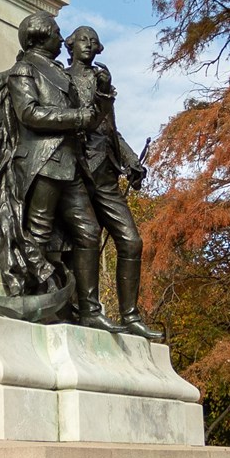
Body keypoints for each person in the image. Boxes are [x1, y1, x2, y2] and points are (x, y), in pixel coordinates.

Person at [0, 12, 122, 331]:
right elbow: (30, 114)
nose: (60, 38)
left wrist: (103, 95)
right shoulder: (24, 70)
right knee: (38, 231)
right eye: (56, 33)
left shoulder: (60, 72)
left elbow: (92, 115)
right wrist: (77, 118)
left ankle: (90, 309)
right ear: (41, 38)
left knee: (89, 233)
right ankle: (42, 290)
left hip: (70, 163)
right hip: (42, 162)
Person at [64, 26, 164, 340]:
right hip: (77, 171)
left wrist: (131, 160)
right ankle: (88, 310)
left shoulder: (102, 80)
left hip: (106, 172)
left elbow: (110, 129)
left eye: (94, 42)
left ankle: (131, 315)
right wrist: (103, 97)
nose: (89, 45)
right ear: (71, 45)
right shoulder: (62, 79)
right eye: (83, 40)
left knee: (131, 241)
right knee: (87, 238)